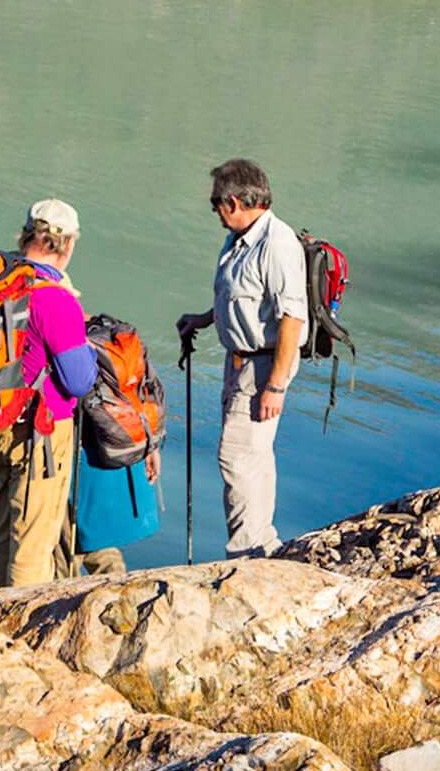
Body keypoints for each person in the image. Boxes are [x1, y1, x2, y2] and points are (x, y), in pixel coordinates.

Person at [177, 158, 308, 556]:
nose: (215, 211)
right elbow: (243, 298)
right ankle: (263, 542)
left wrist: (276, 386)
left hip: (264, 366)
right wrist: (202, 319)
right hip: (240, 362)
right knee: (252, 456)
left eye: (216, 203)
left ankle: (246, 552)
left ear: (233, 201)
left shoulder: (277, 244)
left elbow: (292, 320)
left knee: (235, 457)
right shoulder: (240, 238)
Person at [0, 201, 100, 589]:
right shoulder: (55, 299)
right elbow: (78, 380)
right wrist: (91, 354)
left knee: (0, 534)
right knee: (33, 546)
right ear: (65, 244)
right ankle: (18, 641)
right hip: (37, 433)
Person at [68, 445, 162, 578]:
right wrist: (150, 448)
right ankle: (118, 589)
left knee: (67, 549)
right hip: (105, 457)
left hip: (72, 455)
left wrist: (150, 448)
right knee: (99, 539)